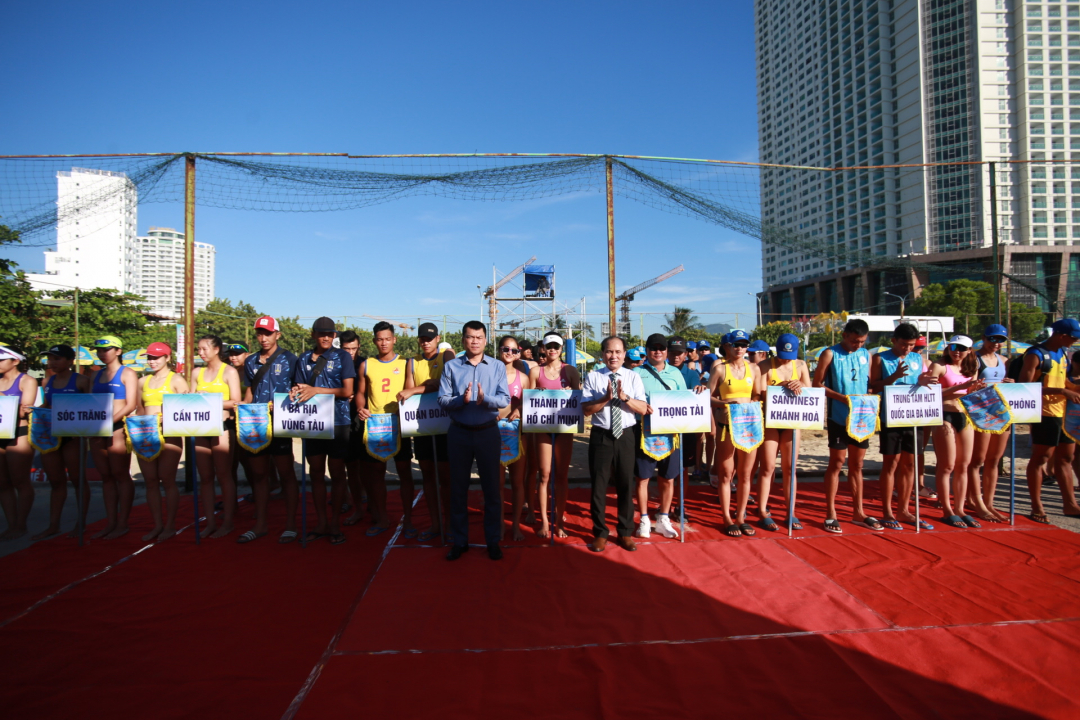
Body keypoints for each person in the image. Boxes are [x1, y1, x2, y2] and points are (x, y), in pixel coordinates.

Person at [438, 321, 510, 561]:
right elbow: (442, 400)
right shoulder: (450, 366)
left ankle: (492, 541)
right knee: (458, 489)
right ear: (463, 340)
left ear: (486, 340)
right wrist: (461, 399)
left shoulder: (497, 366)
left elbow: (504, 400)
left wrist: (484, 399)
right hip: (459, 433)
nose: (475, 341)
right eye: (470, 337)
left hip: (488, 432)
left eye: (479, 337)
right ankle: (460, 541)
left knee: (492, 489)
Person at [582, 336, 650, 552]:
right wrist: (605, 398)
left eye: (618, 352)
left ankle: (625, 532)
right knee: (599, 485)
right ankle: (600, 532)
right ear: (603, 354)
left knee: (625, 483)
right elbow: (585, 410)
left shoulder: (633, 377)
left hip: (627, 434)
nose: (614, 356)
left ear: (624, 354)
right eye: (609, 352)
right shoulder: (593, 377)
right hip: (601, 435)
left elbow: (642, 409)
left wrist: (625, 398)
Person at [293, 317, 356, 544]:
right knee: (316, 473)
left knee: (337, 473)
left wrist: (316, 390)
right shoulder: (302, 359)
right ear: (313, 335)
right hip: (312, 422)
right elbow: (301, 388)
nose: (326, 338)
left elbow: (347, 391)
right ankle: (321, 522)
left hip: (339, 422)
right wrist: (296, 391)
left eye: (330, 334)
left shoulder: (342, 357)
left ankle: (335, 523)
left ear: (335, 335)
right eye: (322, 334)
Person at [813, 318, 879, 533]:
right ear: (845, 336)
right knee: (837, 463)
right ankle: (831, 513)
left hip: (862, 417)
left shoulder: (865, 355)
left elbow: (868, 385)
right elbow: (817, 385)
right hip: (838, 416)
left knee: (858, 465)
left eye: (861, 341)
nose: (858, 345)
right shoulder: (829, 354)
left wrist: (869, 397)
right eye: (854, 341)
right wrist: (842, 398)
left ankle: (858, 511)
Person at [239, 316, 300, 543]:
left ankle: (291, 524)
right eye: (259, 333)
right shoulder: (250, 360)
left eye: (268, 333)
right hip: (255, 424)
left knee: (286, 473)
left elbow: (297, 390)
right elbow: (249, 393)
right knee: (259, 474)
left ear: (277, 335)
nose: (263, 338)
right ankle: (261, 524)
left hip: (280, 423)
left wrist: (284, 400)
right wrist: (242, 407)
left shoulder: (290, 359)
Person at [632, 334, 697, 539]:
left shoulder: (675, 373)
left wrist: (699, 390)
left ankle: (663, 517)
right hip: (645, 433)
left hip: (670, 434)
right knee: (642, 478)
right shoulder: (636, 373)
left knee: (668, 478)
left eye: (661, 348)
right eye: (653, 348)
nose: (658, 352)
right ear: (647, 350)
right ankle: (643, 519)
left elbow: (684, 400)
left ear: (666, 351)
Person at [395, 322, 455, 542]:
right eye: (422, 338)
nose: (425, 341)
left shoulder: (446, 356)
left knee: (446, 478)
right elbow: (409, 393)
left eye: (429, 338)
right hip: (422, 425)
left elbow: (447, 382)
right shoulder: (413, 362)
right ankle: (435, 524)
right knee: (428, 477)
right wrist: (424, 387)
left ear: (437, 338)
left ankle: (449, 524)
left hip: (444, 427)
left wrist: (418, 388)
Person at [868, 323, 932, 531]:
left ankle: (904, 509)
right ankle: (887, 511)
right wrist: (893, 378)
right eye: (904, 344)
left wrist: (923, 380)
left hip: (914, 415)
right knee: (891, 464)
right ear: (894, 340)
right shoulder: (881, 358)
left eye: (912, 345)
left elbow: (920, 381)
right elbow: (873, 386)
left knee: (910, 464)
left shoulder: (916, 358)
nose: (907, 349)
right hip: (891, 416)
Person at [356, 321, 416, 537]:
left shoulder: (407, 363)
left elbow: (411, 390)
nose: (383, 342)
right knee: (376, 475)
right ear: (374, 341)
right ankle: (382, 518)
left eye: (387, 338)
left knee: (404, 474)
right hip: (375, 426)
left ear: (394, 339)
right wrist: (361, 407)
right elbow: (361, 392)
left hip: (399, 425)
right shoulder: (367, 364)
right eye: (379, 339)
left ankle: (408, 519)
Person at [1020, 318, 1080, 523]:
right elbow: (1024, 386)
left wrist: (1073, 388)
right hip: (1044, 413)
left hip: (1064, 412)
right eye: (1073, 337)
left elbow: (1063, 380)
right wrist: (1061, 391)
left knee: (1066, 458)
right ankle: (1036, 506)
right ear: (1061, 334)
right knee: (1041, 458)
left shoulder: (1063, 352)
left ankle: (1070, 505)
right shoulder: (1035, 354)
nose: (1074, 341)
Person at [924, 335, 986, 528]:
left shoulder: (971, 368)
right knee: (947, 465)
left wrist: (974, 388)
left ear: (969, 351)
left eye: (961, 348)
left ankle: (959, 508)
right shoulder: (940, 366)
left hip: (964, 415)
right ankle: (947, 509)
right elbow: (931, 393)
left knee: (963, 465)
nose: (956, 351)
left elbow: (970, 394)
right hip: (944, 414)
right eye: (953, 347)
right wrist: (962, 387)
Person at [31, 345, 91, 540]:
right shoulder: (47, 381)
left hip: (73, 437)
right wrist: (34, 409)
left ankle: (80, 524)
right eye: (50, 359)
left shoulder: (82, 381)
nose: (52, 363)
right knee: (56, 482)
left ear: (69, 361)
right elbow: (47, 405)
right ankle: (53, 525)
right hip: (51, 436)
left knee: (77, 480)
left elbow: (93, 406)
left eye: (56, 359)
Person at [708, 328, 762, 537]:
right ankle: (727, 518)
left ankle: (741, 516)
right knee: (725, 475)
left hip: (748, 425)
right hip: (726, 426)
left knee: (745, 474)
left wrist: (750, 404)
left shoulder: (754, 369)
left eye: (744, 345)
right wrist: (725, 403)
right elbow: (708, 396)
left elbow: (757, 394)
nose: (740, 349)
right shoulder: (720, 369)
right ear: (727, 347)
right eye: (736, 345)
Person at [131, 342, 188, 542]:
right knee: (151, 482)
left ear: (167, 358)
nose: (152, 361)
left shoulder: (177, 380)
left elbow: (186, 411)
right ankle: (157, 525)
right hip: (145, 435)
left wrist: (167, 417)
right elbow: (139, 409)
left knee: (168, 479)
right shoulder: (142, 381)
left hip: (169, 434)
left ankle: (170, 525)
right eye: (149, 357)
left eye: (156, 357)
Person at [528, 331, 581, 539]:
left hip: (564, 428)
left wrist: (568, 393)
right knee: (544, 474)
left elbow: (577, 400)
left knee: (561, 475)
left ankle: (559, 520)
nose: (552, 350)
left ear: (561, 349)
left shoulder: (571, 371)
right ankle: (544, 522)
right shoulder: (535, 372)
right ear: (543, 347)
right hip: (542, 427)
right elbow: (530, 400)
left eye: (556, 346)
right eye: (549, 346)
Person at [756, 332, 812, 531]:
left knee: (790, 468)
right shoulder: (765, 366)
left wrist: (801, 385)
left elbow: (810, 391)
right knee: (768, 466)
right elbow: (759, 393)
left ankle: (790, 511)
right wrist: (780, 386)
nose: (784, 360)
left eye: (788, 357)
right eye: (781, 355)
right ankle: (762, 510)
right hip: (771, 421)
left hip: (792, 421)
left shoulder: (801, 365)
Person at [88, 336, 139, 539]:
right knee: (106, 477)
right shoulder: (95, 375)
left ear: (118, 351)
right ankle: (110, 522)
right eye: (99, 351)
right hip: (98, 429)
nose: (102, 354)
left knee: (120, 474)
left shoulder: (127, 373)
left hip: (116, 428)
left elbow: (130, 404)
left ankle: (123, 522)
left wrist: (109, 422)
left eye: (106, 350)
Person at [193, 335, 242, 539]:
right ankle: (210, 522)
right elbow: (190, 397)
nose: (201, 352)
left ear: (216, 349)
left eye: (204, 349)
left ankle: (228, 521)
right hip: (200, 427)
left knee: (224, 475)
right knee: (205, 477)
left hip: (222, 427)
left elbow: (236, 402)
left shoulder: (229, 371)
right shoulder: (197, 372)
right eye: (199, 349)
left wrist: (209, 399)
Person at [968, 324, 1014, 523]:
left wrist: (1009, 383)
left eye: (1000, 340)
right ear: (984, 338)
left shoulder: (1003, 360)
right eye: (992, 339)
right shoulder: (975, 359)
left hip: (1000, 412)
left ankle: (989, 501)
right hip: (982, 412)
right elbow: (970, 386)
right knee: (977, 460)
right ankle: (976, 500)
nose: (996, 343)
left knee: (994, 460)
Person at [495, 335, 531, 541]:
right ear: (499, 350)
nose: (509, 354)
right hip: (494, 434)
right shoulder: (489, 374)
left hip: (517, 435)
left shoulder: (523, 378)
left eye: (514, 350)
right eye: (505, 349)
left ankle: (516, 525)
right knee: (498, 484)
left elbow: (529, 405)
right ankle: (500, 523)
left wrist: (519, 409)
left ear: (519, 353)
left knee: (517, 482)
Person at [0, 347, 38, 540]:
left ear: (15, 361)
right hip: (0, 432)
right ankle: (11, 524)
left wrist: (4, 398)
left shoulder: (27, 380)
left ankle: (21, 524)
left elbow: (26, 410)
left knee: (20, 481)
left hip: (18, 433)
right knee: (2, 483)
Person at [337, 330, 368, 525]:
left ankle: (371, 503)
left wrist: (356, 395)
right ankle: (352, 502)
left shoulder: (365, 364)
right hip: (339, 419)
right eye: (346, 349)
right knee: (347, 465)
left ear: (359, 348)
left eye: (353, 349)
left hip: (361, 419)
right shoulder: (333, 363)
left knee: (366, 466)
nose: (350, 352)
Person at [668, 336, 704, 486]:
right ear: (667, 353)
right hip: (664, 427)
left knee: (683, 468)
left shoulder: (691, 374)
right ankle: (666, 504)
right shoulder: (661, 371)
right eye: (673, 353)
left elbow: (696, 387)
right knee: (666, 469)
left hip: (684, 428)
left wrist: (701, 388)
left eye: (680, 353)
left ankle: (679, 504)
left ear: (685, 354)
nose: (676, 356)